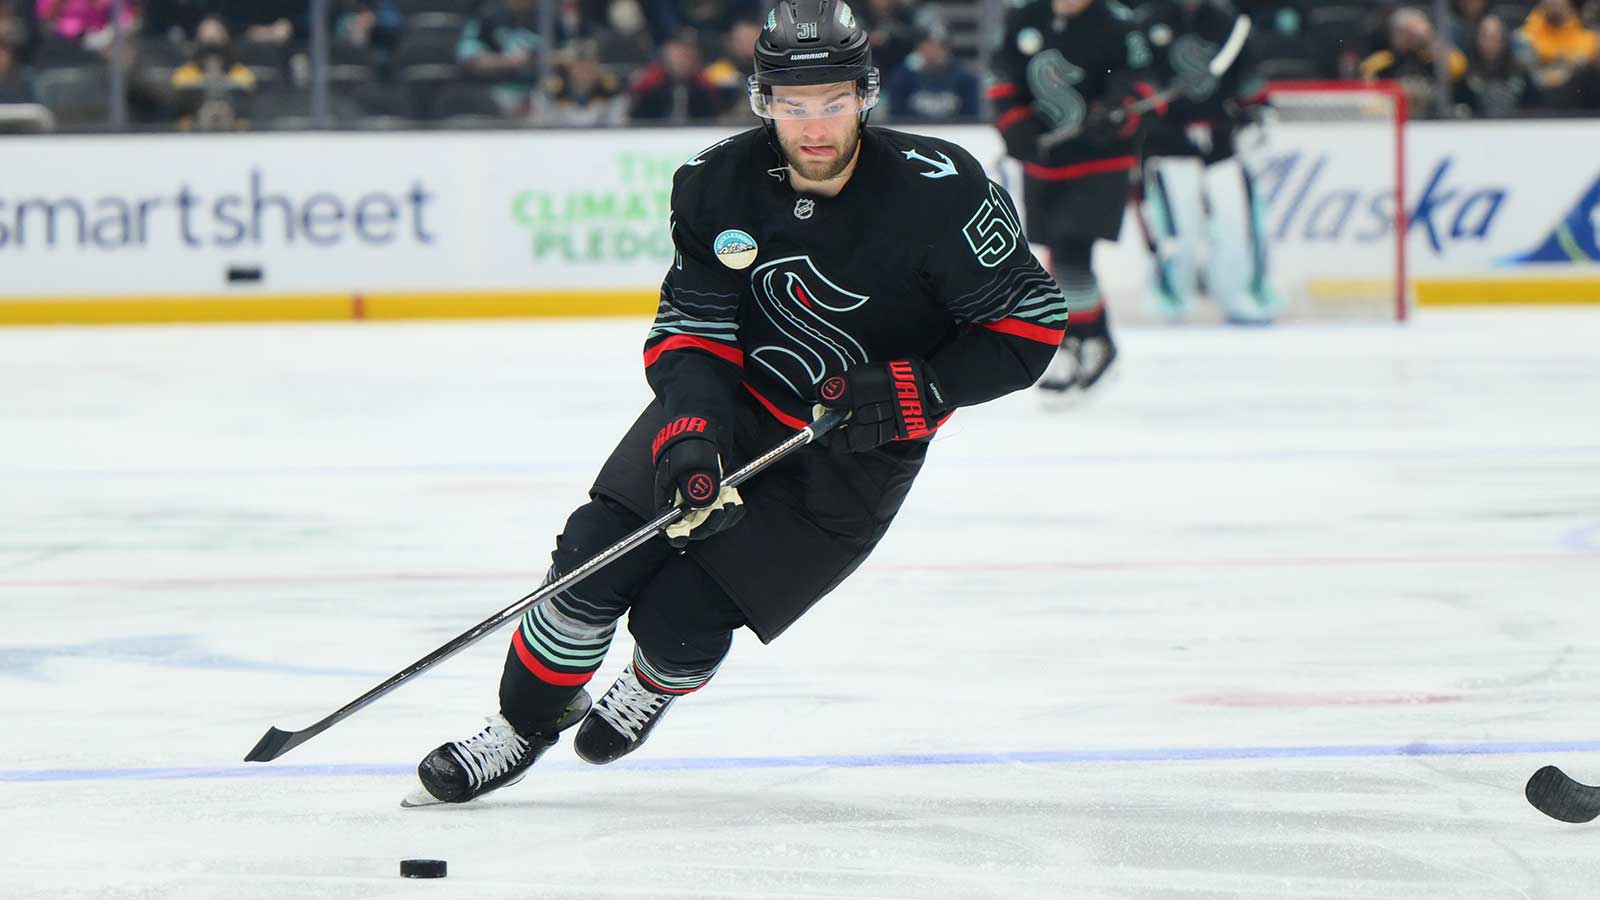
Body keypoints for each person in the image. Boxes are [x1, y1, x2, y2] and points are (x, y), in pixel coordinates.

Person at [405, 0, 1067, 807]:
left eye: (833, 102)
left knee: (681, 619)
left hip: (860, 451)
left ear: (865, 95)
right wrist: (690, 433)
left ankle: (654, 679)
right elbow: (692, 327)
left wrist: (921, 388)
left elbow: (1029, 323)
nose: (814, 126)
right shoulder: (716, 184)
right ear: (764, 101)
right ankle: (518, 727)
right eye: (794, 105)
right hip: (734, 407)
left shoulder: (945, 189)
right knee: (588, 566)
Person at [990, 0, 1156, 396]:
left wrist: (1119, 109)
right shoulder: (1024, 18)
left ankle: (1079, 340)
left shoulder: (1117, 23)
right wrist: (1014, 125)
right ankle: (1093, 337)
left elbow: (1141, 80)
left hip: (1101, 160)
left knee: (1070, 248)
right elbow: (1001, 78)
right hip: (1045, 161)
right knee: (1059, 254)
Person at [1138, 0, 1281, 323]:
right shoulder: (1148, 21)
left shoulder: (1227, 22)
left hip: (1220, 140)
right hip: (1167, 143)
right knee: (1179, 231)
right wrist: (1148, 104)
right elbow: (1134, 77)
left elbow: (1248, 76)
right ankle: (1171, 297)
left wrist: (1258, 112)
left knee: (1236, 224)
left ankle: (1237, 293)